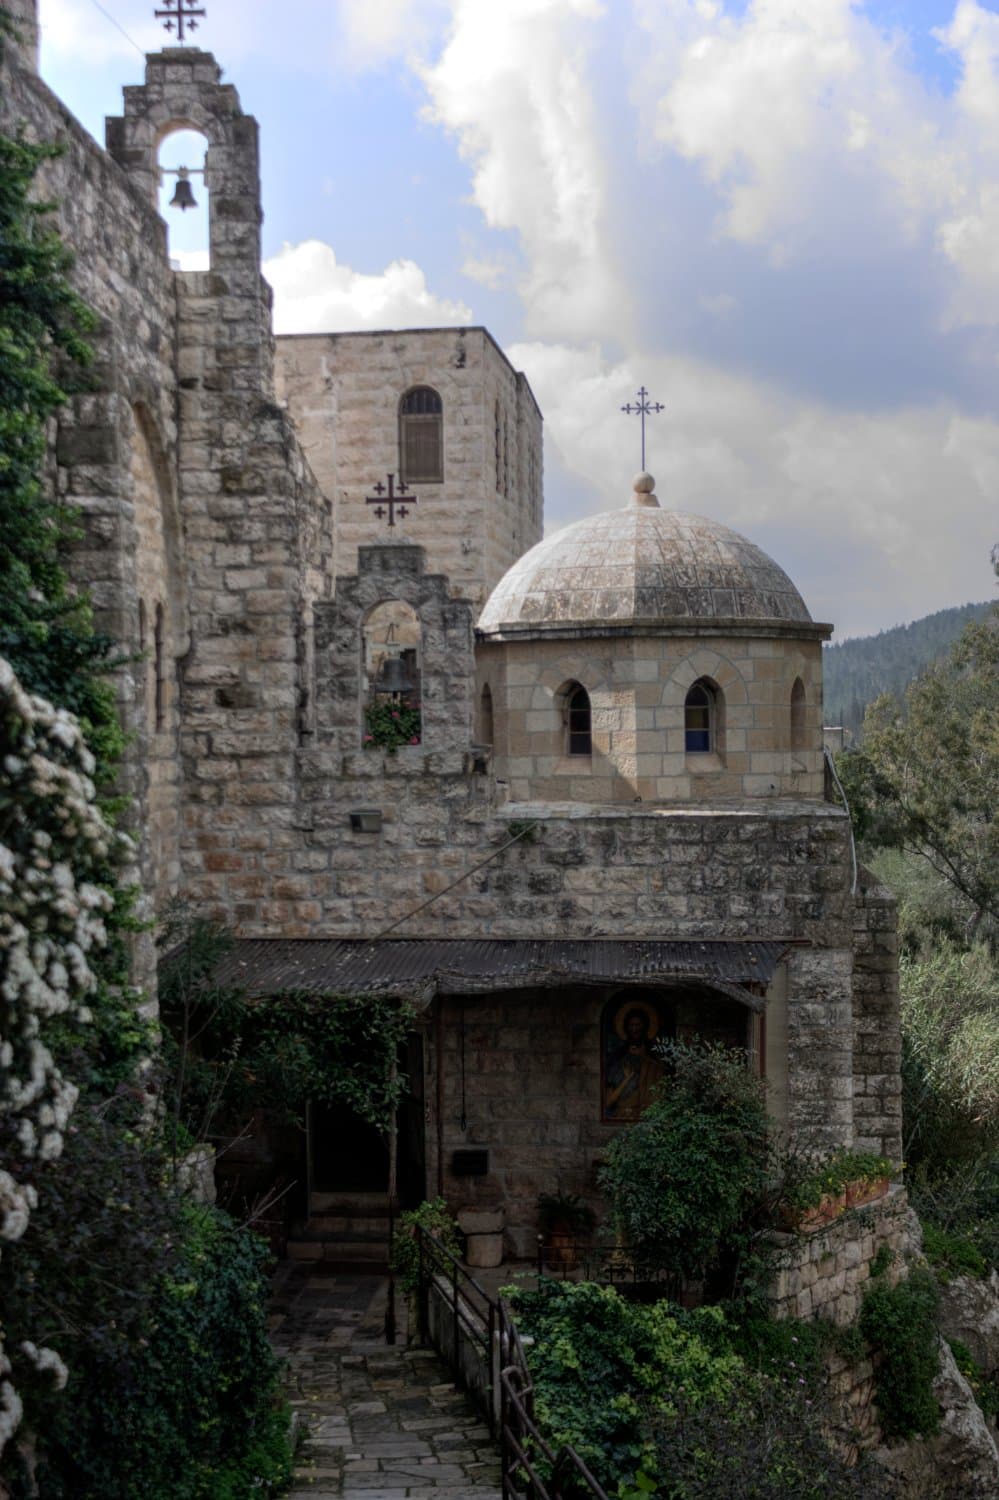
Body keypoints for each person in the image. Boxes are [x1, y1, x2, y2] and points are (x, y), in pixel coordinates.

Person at [604, 1005, 665, 1120]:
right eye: (631, 1025)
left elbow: (662, 1076)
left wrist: (644, 1057)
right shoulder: (618, 1057)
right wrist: (627, 1078)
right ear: (626, 1028)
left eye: (638, 1025)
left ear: (645, 1027)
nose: (635, 1029)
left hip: (647, 1113)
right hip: (623, 1113)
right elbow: (609, 1100)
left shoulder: (653, 1056)